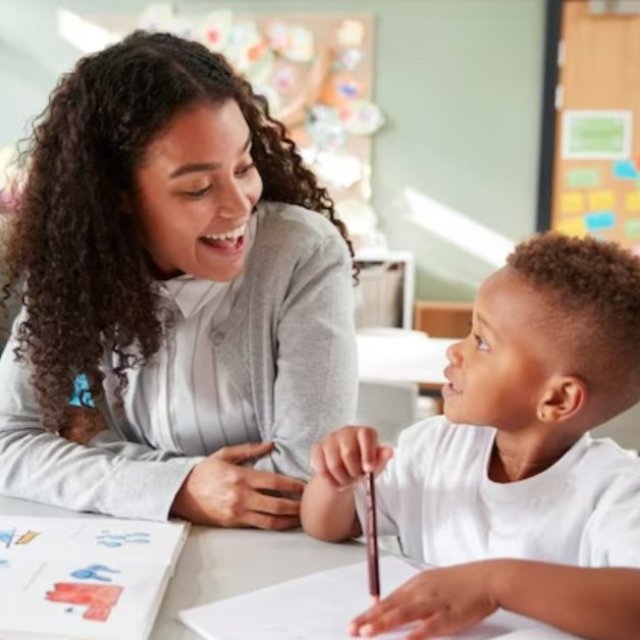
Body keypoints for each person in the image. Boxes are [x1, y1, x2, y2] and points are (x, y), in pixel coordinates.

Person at [0, 31, 358, 529]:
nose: (239, 205)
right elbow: (8, 442)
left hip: (270, 563)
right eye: (198, 188)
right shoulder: (76, 266)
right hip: (129, 552)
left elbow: (304, 477)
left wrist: (99, 458)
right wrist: (184, 487)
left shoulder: (301, 254)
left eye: (245, 166)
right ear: (119, 196)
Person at [301, 233, 640, 640]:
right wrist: (336, 479)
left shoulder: (616, 491)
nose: (455, 352)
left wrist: (494, 584)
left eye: (481, 342)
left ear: (557, 399)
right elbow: (328, 525)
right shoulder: (434, 447)